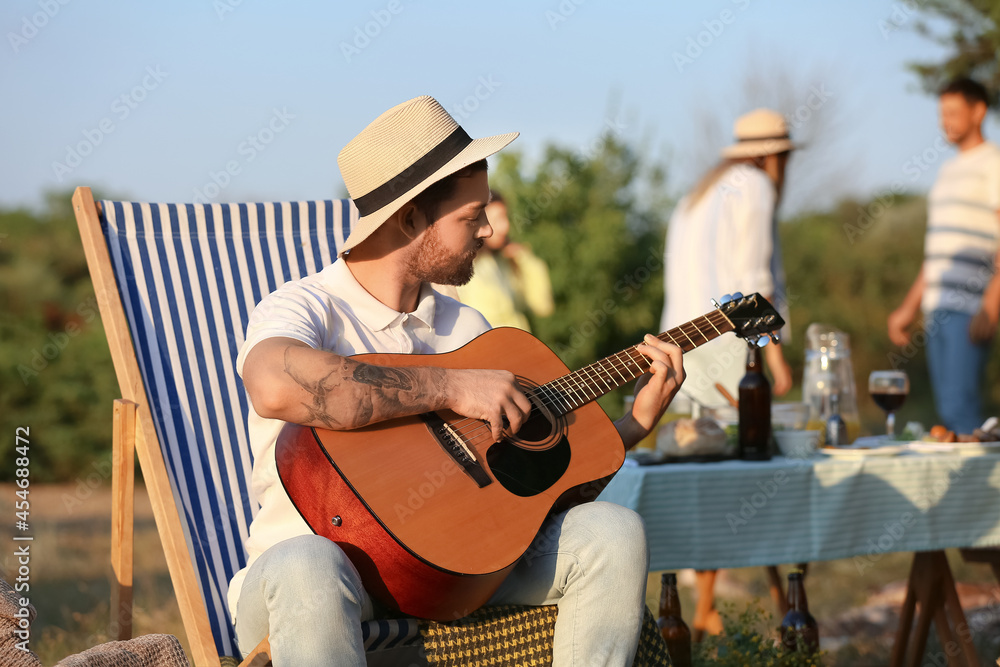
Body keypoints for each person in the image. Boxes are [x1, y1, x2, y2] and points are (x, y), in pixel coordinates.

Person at [228, 95, 686, 666]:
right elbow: (274, 385)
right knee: (307, 564)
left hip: (445, 581)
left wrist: (630, 427)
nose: (490, 228)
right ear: (411, 217)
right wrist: (453, 387)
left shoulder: (467, 328)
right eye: (472, 216)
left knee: (612, 533)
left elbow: (521, 501)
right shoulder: (304, 310)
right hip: (308, 587)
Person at [659, 108, 794, 409]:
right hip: (723, 341)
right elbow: (754, 281)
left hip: (679, 339)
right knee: (736, 442)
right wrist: (774, 356)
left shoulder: (702, 190)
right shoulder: (756, 185)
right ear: (775, 157)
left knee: (691, 442)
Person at [888, 77, 1000, 433]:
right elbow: (937, 252)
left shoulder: (992, 163)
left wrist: (992, 303)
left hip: (970, 306)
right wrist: (908, 307)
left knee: (960, 406)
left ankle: (982, 488)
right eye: (941, 113)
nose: (944, 121)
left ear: (979, 111)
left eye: (953, 112)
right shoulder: (948, 171)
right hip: (936, 305)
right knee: (947, 409)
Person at [457, 190, 555, 331]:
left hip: (522, 348)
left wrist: (525, 259)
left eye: (505, 218)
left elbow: (543, 306)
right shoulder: (461, 270)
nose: (505, 226)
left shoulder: (506, 262)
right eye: (497, 220)